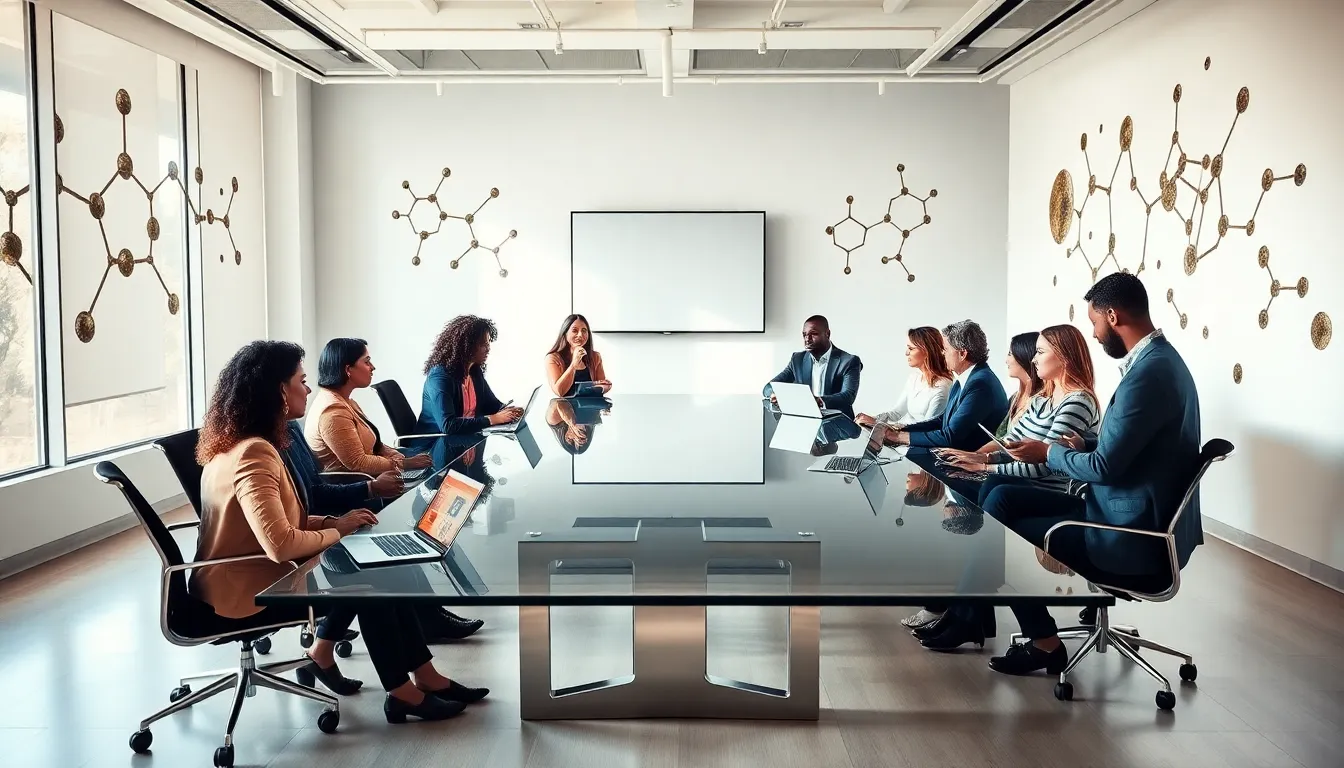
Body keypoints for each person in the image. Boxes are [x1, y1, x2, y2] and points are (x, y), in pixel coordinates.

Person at [191, 340, 488, 723]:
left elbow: (285, 520)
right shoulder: (254, 453)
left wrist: (333, 524)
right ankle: (403, 692)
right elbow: (280, 544)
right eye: (301, 381)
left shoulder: (239, 443)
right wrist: (339, 529)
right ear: (279, 391)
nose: (308, 388)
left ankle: (424, 678)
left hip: (249, 570)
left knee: (384, 570)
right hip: (247, 589)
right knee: (375, 583)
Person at [985, 272, 1202, 677]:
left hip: (1127, 531)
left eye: (1095, 322)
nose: (1095, 334)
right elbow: (1132, 447)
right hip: (1128, 507)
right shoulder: (1162, 361)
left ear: (1113, 316)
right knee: (1001, 496)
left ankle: (1044, 643)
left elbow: (1104, 468)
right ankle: (1006, 622)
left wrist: (1050, 452)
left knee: (1001, 535)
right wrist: (1083, 443)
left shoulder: (1148, 375)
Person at [281, 419, 485, 642]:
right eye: (301, 384)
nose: (306, 396)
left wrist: (394, 466)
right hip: (316, 546)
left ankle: (433, 616)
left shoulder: (291, 428)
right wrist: (370, 489)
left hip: (332, 525)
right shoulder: (321, 420)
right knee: (397, 571)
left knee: (406, 552)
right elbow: (311, 500)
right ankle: (429, 624)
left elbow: (319, 484)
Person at [938, 325, 1100, 487]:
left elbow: (1046, 462)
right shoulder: (1040, 400)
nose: (1034, 359)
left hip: (1045, 491)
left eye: (1040, 352)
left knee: (996, 487)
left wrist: (984, 467)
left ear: (1064, 356)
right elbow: (1011, 442)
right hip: (1020, 482)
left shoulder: (1077, 402)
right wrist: (978, 457)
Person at [305, 338, 433, 476]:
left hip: (375, 475)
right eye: (367, 362)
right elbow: (359, 463)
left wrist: (397, 457)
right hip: (358, 483)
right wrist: (404, 464)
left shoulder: (345, 401)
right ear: (348, 369)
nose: (372, 367)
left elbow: (375, 444)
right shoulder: (334, 412)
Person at [884, 320, 1007, 451]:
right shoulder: (966, 379)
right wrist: (900, 429)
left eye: (946, 349)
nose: (942, 353)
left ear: (962, 354)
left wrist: (898, 437)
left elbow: (950, 437)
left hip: (964, 458)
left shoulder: (980, 384)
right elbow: (942, 421)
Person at [415, 316, 524, 441]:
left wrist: (509, 412)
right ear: (466, 346)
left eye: (488, 343)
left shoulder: (474, 372)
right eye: (483, 344)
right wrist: (492, 419)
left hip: (464, 442)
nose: (488, 349)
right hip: (434, 444)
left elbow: (493, 406)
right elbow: (448, 425)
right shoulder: (439, 377)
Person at [763, 315, 863, 418]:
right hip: (806, 420)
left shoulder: (849, 361)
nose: (807, 339)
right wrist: (774, 394)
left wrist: (820, 401)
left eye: (813, 334)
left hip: (837, 423)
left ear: (827, 334)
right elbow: (768, 387)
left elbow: (848, 396)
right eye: (804, 335)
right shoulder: (797, 359)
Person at [855, 326, 953, 428]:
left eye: (911, 348)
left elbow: (926, 428)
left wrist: (877, 424)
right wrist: (874, 419)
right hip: (905, 433)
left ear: (926, 351)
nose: (906, 353)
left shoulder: (942, 388)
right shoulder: (914, 378)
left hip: (917, 436)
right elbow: (896, 413)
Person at [545, 314, 612, 397]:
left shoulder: (595, 357)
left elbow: (602, 386)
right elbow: (559, 391)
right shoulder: (552, 358)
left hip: (591, 404)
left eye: (584, 331)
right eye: (575, 330)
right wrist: (574, 365)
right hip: (565, 405)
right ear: (565, 333)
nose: (580, 335)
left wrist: (605, 385)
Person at [1000, 332, 1045, 437]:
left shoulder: (1042, 401)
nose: (1006, 361)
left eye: (1010, 354)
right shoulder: (1014, 398)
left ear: (1023, 355)